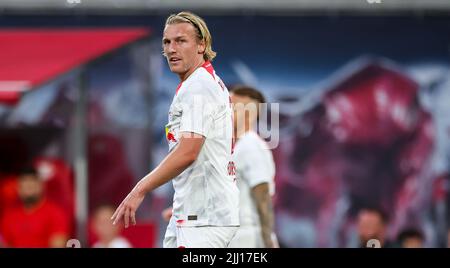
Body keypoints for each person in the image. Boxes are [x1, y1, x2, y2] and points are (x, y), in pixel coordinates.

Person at [111, 11, 239, 248]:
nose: (171, 49)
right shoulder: (198, 83)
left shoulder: (198, 87)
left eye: (181, 41)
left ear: (202, 45)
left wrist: (140, 189)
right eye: (167, 42)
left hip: (204, 218)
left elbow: (188, 151)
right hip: (191, 213)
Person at [227, 86, 278, 248]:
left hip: (248, 236)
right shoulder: (234, 147)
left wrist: (268, 239)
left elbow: (262, 193)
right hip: (232, 234)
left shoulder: (252, 146)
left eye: (232, 107)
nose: (226, 111)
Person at [0, 167, 69, 247]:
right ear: (18, 189)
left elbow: (58, 244)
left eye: (32, 186)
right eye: (25, 187)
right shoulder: (9, 216)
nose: (28, 190)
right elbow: (4, 244)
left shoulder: (55, 213)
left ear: (41, 186)